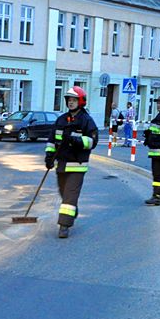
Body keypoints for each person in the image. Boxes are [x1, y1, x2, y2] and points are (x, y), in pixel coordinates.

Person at [45, 86, 99, 238]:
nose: (71, 102)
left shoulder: (86, 121)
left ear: (80, 101)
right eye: (69, 99)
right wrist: (49, 157)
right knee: (64, 193)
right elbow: (51, 140)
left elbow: (92, 142)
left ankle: (64, 226)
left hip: (77, 165)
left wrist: (75, 140)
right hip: (61, 164)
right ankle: (72, 211)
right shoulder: (61, 119)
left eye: (74, 100)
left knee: (69, 195)